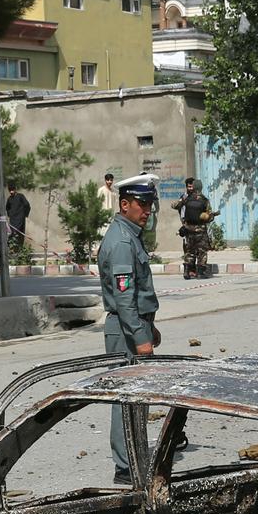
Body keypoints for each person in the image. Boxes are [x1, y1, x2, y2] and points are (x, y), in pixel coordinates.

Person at [97, 174, 160, 485]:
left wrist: (150, 328)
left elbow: (136, 294)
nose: (147, 210)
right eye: (141, 204)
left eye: (150, 204)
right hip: (125, 330)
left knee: (137, 398)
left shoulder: (129, 234)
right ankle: (126, 468)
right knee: (126, 399)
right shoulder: (122, 241)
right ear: (124, 204)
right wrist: (140, 337)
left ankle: (135, 460)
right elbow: (124, 299)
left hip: (133, 326)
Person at [176, 177, 214, 279]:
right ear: (201, 188)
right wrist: (207, 216)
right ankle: (201, 272)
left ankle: (187, 271)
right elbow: (209, 217)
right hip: (200, 230)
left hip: (188, 229)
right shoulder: (205, 200)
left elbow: (175, 205)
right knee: (202, 251)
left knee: (190, 251)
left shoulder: (187, 198)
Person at [5, 187, 32, 251]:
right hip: (13, 219)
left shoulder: (20, 196)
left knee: (19, 233)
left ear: (15, 189)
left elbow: (27, 205)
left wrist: (25, 214)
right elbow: (7, 207)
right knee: (12, 233)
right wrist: (10, 215)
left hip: (20, 218)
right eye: (10, 190)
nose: (11, 192)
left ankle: (19, 249)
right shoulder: (9, 198)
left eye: (12, 190)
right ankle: (12, 248)